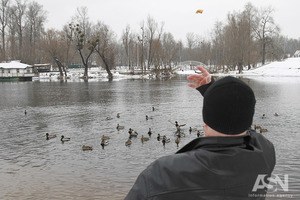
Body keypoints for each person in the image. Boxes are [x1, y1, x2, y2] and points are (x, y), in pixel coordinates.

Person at [124, 66, 276, 200]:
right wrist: (215, 94)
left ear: (205, 123)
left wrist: (213, 94)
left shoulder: (161, 172)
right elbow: (244, 125)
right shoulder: (265, 153)